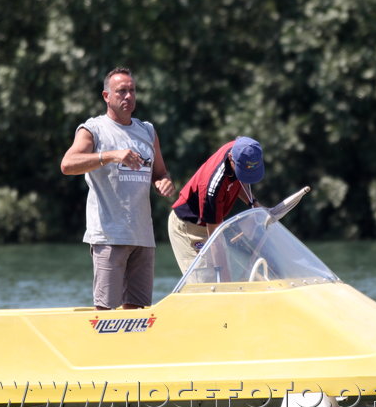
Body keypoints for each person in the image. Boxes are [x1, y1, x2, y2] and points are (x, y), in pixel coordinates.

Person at [60, 68, 175, 310]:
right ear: (106, 96)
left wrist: (164, 182)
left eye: (132, 90)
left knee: (138, 315)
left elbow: (160, 173)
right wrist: (111, 156)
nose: (128, 96)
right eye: (121, 91)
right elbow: (67, 164)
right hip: (109, 235)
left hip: (143, 237)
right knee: (105, 315)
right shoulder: (93, 129)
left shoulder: (147, 131)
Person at [168, 136, 264, 273]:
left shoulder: (245, 149)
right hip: (190, 227)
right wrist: (223, 279)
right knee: (207, 282)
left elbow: (241, 179)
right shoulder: (212, 187)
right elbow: (215, 239)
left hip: (213, 225)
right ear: (231, 158)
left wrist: (253, 203)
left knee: (224, 279)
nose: (245, 176)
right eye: (242, 170)